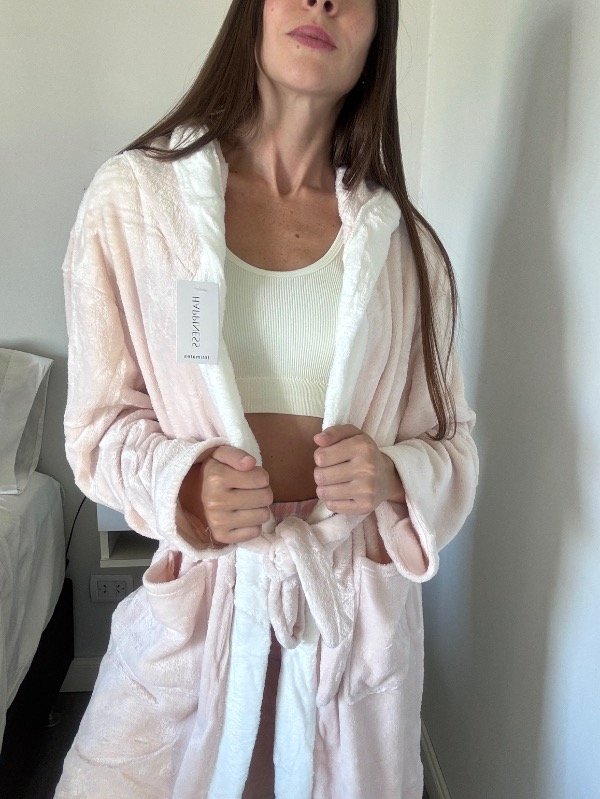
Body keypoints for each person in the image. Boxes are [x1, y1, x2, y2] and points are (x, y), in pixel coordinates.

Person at [55, 0, 478, 797]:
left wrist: (391, 474)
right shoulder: (137, 204)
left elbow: (453, 444)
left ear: (378, 33)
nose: (322, 2)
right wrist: (184, 481)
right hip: (200, 617)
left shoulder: (406, 251)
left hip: (345, 625)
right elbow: (97, 427)